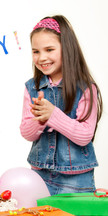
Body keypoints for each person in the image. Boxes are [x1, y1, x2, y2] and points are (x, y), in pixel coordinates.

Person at [20, 15, 103, 195]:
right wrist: (40, 119)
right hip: (40, 175)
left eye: (49, 49)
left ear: (67, 48)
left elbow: (84, 136)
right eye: (36, 51)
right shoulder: (32, 87)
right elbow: (27, 133)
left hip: (76, 179)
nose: (42, 57)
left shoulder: (85, 88)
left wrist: (52, 115)